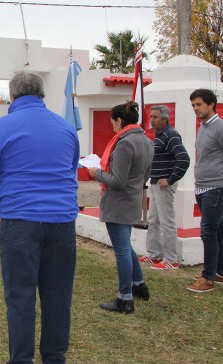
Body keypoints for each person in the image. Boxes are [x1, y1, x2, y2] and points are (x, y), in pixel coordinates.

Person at [0, 71, 79, 364]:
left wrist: (5, 208)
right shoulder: (65, 128)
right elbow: (70, 171)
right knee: (58, 296)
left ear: (12, 96)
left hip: (20, 222)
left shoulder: (0, 128)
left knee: (20, 295)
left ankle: (21, 359)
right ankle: (55, 358)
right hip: (62, 222)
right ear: (41, 94)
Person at [88, 101, 153, 314]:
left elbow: (117, 180)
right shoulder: (145, 140)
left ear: (119, 121)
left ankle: (124, 297)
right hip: (133, 199)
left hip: (119, 202)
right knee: (126, 246)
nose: (112, 128)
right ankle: (138, 284)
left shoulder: (125, 143)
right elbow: (144, 176)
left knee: (122, 250)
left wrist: (96, 173)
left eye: (113, 123)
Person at [187, 89, 223, 293]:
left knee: (208, 231)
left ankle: (208, 277)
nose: (195, 108)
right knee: (218, 228)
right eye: (193, 105)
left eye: (199, 104)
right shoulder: (203, 127)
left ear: (211, 104)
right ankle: (220, 272)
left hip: (218, 187)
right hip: (202, 186)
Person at [139, 105, 190, 270]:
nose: (151, 119)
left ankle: (171, 259)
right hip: (155, 183)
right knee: (153, 220)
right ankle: (154, 254)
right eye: (151, 116)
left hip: (163, 186)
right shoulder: (159, 135)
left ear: (165, 119)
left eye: (155, 117)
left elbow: (184, 159)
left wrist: (170, 179)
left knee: (166, 221)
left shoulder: (171, 135)